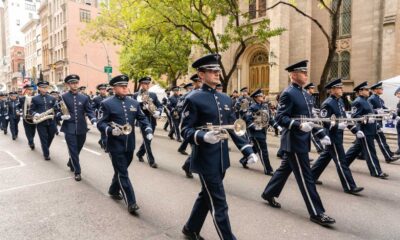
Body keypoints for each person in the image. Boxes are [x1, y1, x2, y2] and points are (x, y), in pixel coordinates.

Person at [181, 54, 258, 240]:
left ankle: (190, 228)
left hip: (222, 158)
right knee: (219, 204)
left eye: (218, 70)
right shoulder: (193, 98)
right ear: (201, 74)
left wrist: (247, 149)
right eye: (212, 71)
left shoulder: (225, 99)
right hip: (205, 160)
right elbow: (185, 130)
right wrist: (202, 136)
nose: (217, 73)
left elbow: (234, 127)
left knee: (205, 196)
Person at [261, 60, 336, 226]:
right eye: (303, 72)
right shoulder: (288, 93)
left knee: (284, 169)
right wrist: (299, 125)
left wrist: (321, 133)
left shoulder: (307, 95)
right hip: (294, 141)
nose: (306, 74)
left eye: (305, 71)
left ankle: (268, 193)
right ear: (293, 75)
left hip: (302, 140)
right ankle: (317, 212)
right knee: (306, 177)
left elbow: (311, 118)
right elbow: (280, 118)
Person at [97, 75, 153, 214]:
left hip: (130, 144)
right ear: (114, 88)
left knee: (120, 169)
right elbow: (100, 123)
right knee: (123, 172)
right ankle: (131, 202)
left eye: (125, 85)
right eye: (121, 86)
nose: (125, 88)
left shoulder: (133, 103)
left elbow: (142, 118)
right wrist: (110, 130)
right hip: (115, 144)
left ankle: (113, 189)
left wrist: (148, 128)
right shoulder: (107, 103)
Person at [311, 78, 364, 194]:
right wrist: (336, 126)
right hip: (331, 136)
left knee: (325, 157)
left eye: (341, 87)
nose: (342, 89)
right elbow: (324, 121)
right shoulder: (327, 103)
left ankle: (311, 177)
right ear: (333, 89)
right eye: (339, 87)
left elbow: (345, 119)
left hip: (338, 135)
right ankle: (350, 186)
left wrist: (355, 130)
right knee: (342, 161)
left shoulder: (339, 101)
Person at [345, 81, 389, 179]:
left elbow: (370, 113)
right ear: (360, 92)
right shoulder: (358, 101)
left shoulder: (366, 100)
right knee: (370, 151)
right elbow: (355, 117)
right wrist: (367, 120)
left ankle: (343, 164)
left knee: (355, 149)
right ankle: (376, 171)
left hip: (370, 129)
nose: (368, 91)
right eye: (365, 89)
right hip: (365, 131)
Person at [59, 74, 97, 181]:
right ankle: (77, 171)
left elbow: (89, 110)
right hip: (69, 127)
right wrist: (60, 116)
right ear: (68, 84)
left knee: (78, 148)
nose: (75, 85)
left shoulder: (84, 98)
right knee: (73, 150)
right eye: (72, 83)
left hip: (81, 127)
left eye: (76, 83)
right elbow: (58, 110)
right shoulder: (63, 96)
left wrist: (93, 120)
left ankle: (71, 161)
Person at [242, 88, 279, 175]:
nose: (262, 96)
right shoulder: (252, 107)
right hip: (256, 132)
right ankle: (268, 169)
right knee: (263, 150)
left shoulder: (265, 106)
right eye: (260, 95)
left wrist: (277, 126)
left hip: (263, 131)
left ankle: (244, 160)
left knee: (255, 148)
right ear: (255, 97)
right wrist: (254, 127)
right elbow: (247, 119)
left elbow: (269, 119)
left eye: (262, 95)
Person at [133, 77, 163, 168]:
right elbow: (133, 108)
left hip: (152, 120)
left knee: (149, 139)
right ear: (141, 84)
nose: (147, 85)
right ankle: (151, 161)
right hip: (143, 120)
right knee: (147, 139)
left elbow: (160, 105)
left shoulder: (153, 95)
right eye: (145, 84)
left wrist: (159, 111)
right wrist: (141, 105)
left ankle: (139, 153)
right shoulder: (136, 95)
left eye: (148, 84)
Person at [368, 82, 400, 163]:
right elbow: (369, 111)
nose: (382, 90)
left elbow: (384, 109)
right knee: (381, 139)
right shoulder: (372, 98)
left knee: (361, 143)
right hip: (374, 122)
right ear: (375, 90)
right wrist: (376, 111)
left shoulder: (379, 99)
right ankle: (388, 156)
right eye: (380, 88)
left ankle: (358, 154)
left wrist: (393, 114)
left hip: (378, 122)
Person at [181, 74, 203, 178]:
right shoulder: (189, 95)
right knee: (197, 149)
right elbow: (183, 110)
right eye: (198, 82)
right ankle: (188, 166)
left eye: (200, 81)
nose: (200, 83)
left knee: (198, 150)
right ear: (194, 83)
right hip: (193, 126)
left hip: (203, 126)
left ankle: (187, 165)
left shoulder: (204, 93)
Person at [30, 81, 58, 160]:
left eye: (46, 87)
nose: (44, 89)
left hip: (51, 121)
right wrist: (35, 114)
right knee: (43, 138)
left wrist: (57, 109)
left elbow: (56, 109)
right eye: (42, 87)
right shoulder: (35, 98)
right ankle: (46, 154)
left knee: (51, 136)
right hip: (41, 122)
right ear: (39, 88)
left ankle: (45, 147)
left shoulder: (52, 98)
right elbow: (31, 110)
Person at [177, 82, 195, 155]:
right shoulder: (184, 96)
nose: (191, 89)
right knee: (191, 133)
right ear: (186, 89)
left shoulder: (195, 95)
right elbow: (179, 106)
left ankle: (182, 148)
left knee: (190, 134)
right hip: (187, 118)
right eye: (189, 88)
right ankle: (194, 153)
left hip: (195, 117)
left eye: (192, 88)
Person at [20, 85, 36, 149]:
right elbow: (19, 106)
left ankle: (31, 139)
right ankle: (31, 142)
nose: (30, 91)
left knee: (33, 131)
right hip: (26, 117)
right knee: (28, 131)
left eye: (31, 90)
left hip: (33, 117)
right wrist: (19, 111)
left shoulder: (35, 98)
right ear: (26, 90)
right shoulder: (22, 98)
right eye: (29, 90)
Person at [92, 83, 108, 150]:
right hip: (100, 118)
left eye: (104, 89)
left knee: (107, 132)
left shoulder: (109, 98)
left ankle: (101, 141)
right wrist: (95, 116)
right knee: (103, 132)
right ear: (99, 90)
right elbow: (92, 108)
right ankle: (105, 144)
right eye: (101, 89)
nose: (103, 91)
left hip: (108, 118)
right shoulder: (96, 99)